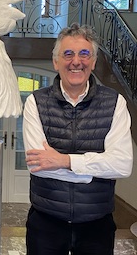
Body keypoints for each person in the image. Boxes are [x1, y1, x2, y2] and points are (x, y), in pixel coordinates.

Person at [23, 23, 133, 255]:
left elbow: (122, 165)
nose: (76, 61)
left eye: (85, 54)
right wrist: (95, 170)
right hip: (46, 223)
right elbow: (38, 166)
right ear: (56, 62)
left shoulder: (115, 103)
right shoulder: (36, 102)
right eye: (68, 54)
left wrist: (64, 161)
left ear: (93, 62)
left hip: (97, 224)